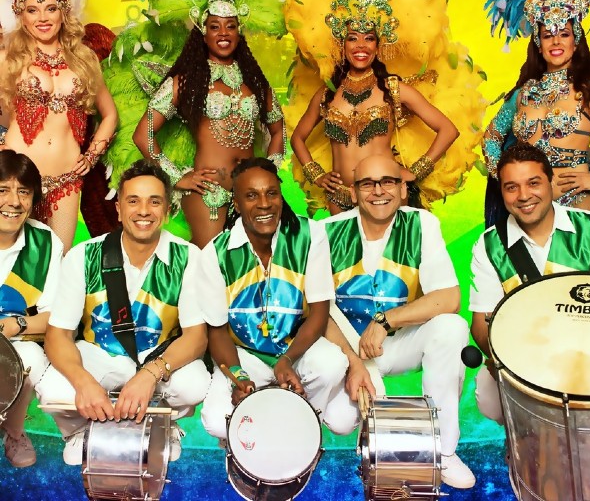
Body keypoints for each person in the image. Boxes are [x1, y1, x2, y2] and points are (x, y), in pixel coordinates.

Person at [104, 0, 290, 248]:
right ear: (202, 32)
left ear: (240, 31)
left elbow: (277, 128)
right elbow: (143, 134)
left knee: (255, 268)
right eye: (214, 26)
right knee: (214, 270)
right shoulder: (186, 81)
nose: (223, 33)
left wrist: (271, 168)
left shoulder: (254, 79)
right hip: (210, 194)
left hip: (253, 192)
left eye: (230, 26)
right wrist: (180, 176)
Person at [285, 0, 486, 215]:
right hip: (339, 201)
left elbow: (447, 129)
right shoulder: (327, 95)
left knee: (390, 264)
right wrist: (317, 173)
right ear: (342, 43)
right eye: (353, 38)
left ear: (380, 45)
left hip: (385, 199)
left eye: (369, 38)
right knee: (343, 264)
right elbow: (298, 137)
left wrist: (414, 172)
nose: (361, 47)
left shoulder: (393, 89)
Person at [37, 160, 215, 465]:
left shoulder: (189, 257)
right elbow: (57, 335)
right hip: (100, 355)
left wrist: (150, 373)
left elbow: (197, 338)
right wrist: (83, 382)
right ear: (118, 208)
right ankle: (78, 430)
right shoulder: (84, 255)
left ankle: (165, 425)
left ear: (167, 210)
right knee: (52, 387)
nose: (143, 211)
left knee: (195, 383)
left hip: (158, 358)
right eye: (133, 201)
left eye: (154, 201)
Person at [323, 154, 475, 489]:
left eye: (388, 181)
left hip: (400, 342)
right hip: (348, 350)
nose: (378, 191)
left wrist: (387, 320)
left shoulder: (422, 224)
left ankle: (444, 450)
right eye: (367, 183)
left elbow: (449, 298)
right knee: (340, 421)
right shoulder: (325, 232)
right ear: (353, 192)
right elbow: (316, 311)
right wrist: (351, 361)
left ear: (403, 188)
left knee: (452, 327)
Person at [200, 157, 355, 440]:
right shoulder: (215, 253)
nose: (264, 203)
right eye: (251, 196)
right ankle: (275, 425)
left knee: (331, 364)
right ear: (236, 204)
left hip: (296, 348)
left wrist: (287, 360)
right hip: (245, 355)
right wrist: (239, 377)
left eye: (271, 193)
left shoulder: (310, 234)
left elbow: (320, 312)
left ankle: (298, 429)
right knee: (215, 422)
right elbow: (218, 331)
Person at [0, 0, 118, 251]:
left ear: (63, 8)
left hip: (68, 179)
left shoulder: (83, 57)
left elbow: (109, 115)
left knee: (60, 263)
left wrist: (92, 155)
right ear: (20, 13)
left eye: (50, 8)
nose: (42, 18)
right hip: (18, 177)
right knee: (13, 262)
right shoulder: (9, 57)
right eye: (32, 9)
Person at [481, 0, 590, 223]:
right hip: (527, 210)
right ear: (538, 40)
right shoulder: (525, 92)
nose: (556, 41)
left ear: (576, 37)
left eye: (564, 33)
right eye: (548, 34)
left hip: (578, 204)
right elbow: (491, 141)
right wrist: (511, 183)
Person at [470, 142, 590, 422]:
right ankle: (525, 449)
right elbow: (481, 323)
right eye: (511, 187)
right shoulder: (489, 244)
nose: (524, 195)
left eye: (533, 183)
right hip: (526, 359)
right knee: (488, 395)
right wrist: (507, 361)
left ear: (552, 182)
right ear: (501, 192)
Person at [0, 150, 63, 468]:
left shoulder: (45, 242)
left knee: (33, 360)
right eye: (2, 190)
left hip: (15, 342)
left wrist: (14, 326)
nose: (14, 202)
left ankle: (13, 430)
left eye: (23, 191)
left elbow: (56, 317)